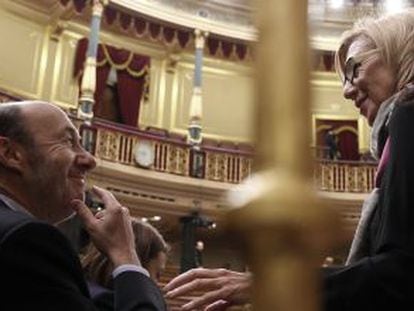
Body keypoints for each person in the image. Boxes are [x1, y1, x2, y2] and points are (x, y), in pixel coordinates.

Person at [164, 10, 414, 311]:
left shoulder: (408, 116)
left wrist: (273, 284)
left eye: (353, 68)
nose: (347, 91)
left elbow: (403, 274)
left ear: (401, 53)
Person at [0, 100, 166, 310]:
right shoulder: (25, 239)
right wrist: (126, 256)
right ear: (10, 154)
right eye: (68, 142)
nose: (90, 160)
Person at [82, 217, 169, 309]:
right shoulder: (106, 301)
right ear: (138, 264)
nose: (157, 285)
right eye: (157, 274)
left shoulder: (79, 289)